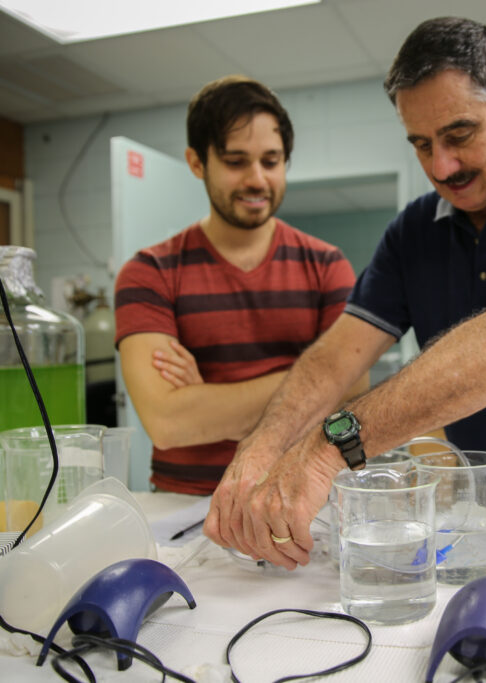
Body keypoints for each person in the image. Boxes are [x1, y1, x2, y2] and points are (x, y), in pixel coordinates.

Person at [203, 17, 486, 569]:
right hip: (481, 507)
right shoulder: (413, 231)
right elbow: (333, 360)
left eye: (459, 135)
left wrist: (327, 452)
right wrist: (262, 449)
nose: (441, 166)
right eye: (421, 145)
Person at [114, 76, 361, 494]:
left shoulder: (327, 266)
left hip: (300, 499)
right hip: (187, 507)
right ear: (197, 162)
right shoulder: (149, 273)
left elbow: (351, 391)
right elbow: (168, 423)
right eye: (235, 161)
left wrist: (206, 398)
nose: (257, 180)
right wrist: (316, 377)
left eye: (271, 161)